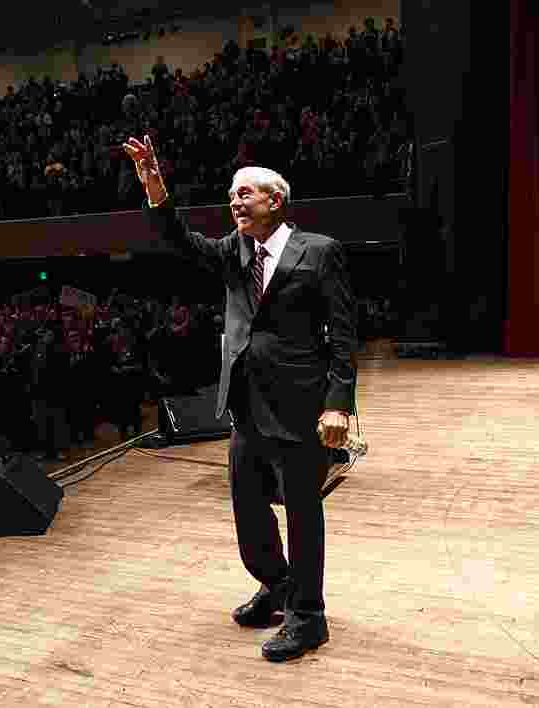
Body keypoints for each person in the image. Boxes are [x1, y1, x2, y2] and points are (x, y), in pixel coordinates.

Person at [123, 135, 357, 663]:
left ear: (275, 200)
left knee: (301, 512)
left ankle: (309, 615)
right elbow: (180, 240)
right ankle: (275, 585)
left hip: (300, 404)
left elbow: (344, 335)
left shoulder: (319, 252)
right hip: (245, 402)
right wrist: (155, 186)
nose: (234, 201)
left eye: (244, 193)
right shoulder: (235, 250)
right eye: (231, 194)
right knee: (248, 507)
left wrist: (338, 402)